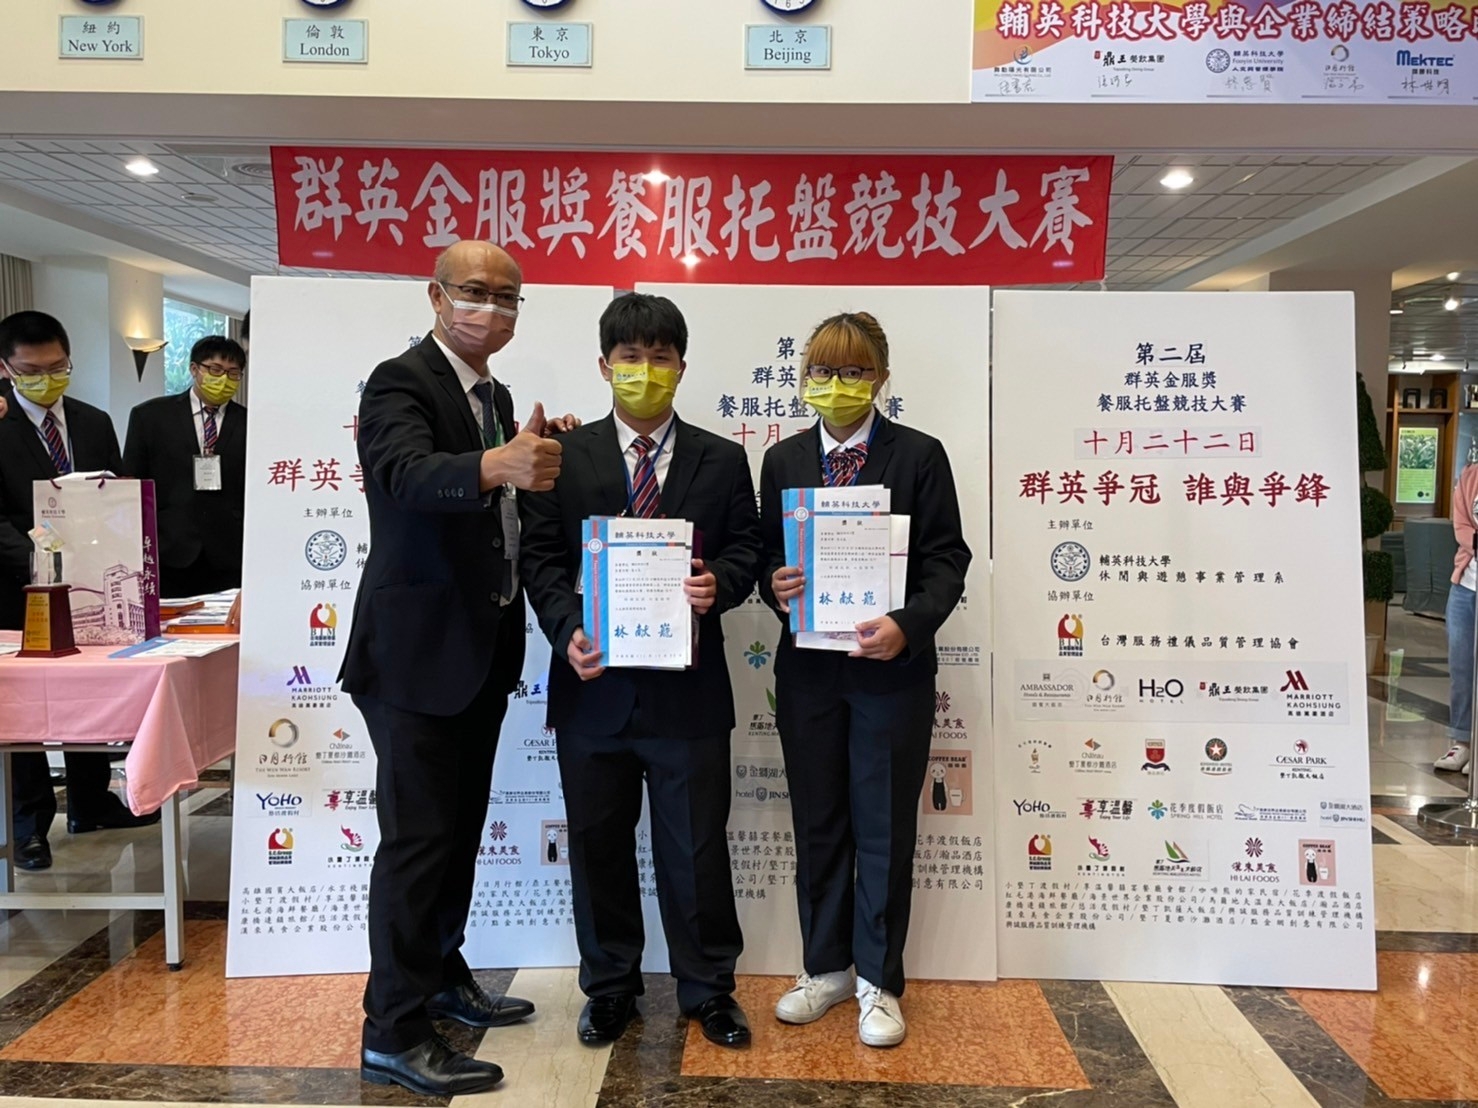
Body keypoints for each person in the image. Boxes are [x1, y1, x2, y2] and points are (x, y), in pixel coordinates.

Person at [339, 241, 572, 1097]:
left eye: (509, 297)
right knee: (417, 844)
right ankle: (392, 1031)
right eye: (476, 292)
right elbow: (404, 474)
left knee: (456, 832)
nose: (493, 309)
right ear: (436, 297)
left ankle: (440, 974)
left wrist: (528, 455)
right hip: (413, 659)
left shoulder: (493, 397)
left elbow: (492, 510)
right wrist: (495, 464)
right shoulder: (399, 382)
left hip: (477, 652)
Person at [520, 293, 761, 1050]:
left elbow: (748, 548)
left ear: (682, 367)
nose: (645, 370)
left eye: (661, 357)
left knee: (696, 849)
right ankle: (610, 987)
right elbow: (541, 559)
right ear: (604, 365)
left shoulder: (723, 458)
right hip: (593, 689)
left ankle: (709, 989)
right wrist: (566, 630)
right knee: (598, 848)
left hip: (689, 694)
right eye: (631, 357)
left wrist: (719, 583)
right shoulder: (565, 455)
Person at [758, 312, 970, 1048]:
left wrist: (909, 624)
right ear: (804, 379)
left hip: (890, 673)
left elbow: (947, 560)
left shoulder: (920, 455)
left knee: (883, 827)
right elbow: (767, 556)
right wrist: (774, 583)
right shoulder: (783, 461)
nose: (837, 384)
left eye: (853, 371)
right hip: (809, 673)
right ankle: (825, 968)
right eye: (823, 370)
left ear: (880, 377)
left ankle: (879, 981)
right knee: (818, 822)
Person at [0, 311, 161, 872]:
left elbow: (114, 497)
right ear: (6, 369)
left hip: (93, 583)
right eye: (31, 371)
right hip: (19, 586)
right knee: (24, 705)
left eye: (58, 367)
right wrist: (41, 559)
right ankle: (28, 826)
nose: (46, 379)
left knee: (90, 693)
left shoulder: (93, 421)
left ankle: (91, 803)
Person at [123, 336, 248, 598]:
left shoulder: (251, 422)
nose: (224, 379)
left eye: (233, 373)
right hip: (169, 549)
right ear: (194, 369)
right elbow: (132, 484)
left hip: (230, 552)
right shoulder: (150, 416)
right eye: (215, 370)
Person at [1438, 462, 1478, 774]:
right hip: (1466, 585)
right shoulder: (1470, 474)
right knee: (1461, 666)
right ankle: (1462, 741)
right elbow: (1462, 523)